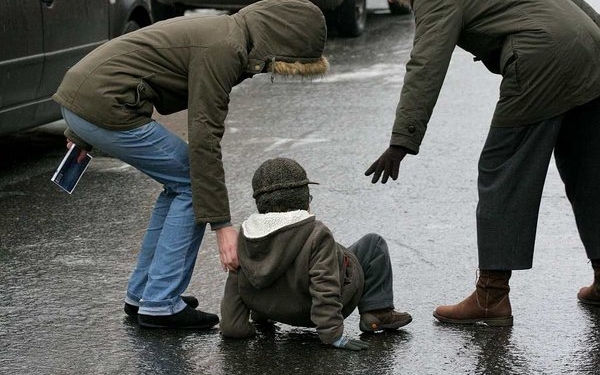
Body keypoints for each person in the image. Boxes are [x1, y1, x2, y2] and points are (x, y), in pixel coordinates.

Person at [52, 0, 329, 329]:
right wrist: (222, 225)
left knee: (180, 181)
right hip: (105, 105)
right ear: (280, 40)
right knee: (192, 182)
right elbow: (204, 138)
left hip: (84, 100)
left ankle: (144, 294)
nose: (273, 69)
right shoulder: (225, 49)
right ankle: (160, 302)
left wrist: (80, 130)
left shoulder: (227, 33)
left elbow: (121, 63)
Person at [365, 0, 600, 326]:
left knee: (502, 170)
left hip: (542, 54)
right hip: (590, 45)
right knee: (589, 169)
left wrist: (401, 141)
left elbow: (427, 62)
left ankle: (491, 295)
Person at [220, 157, 412, 350]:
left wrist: (236, 327)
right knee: (373, 244)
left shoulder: (245, 236)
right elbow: (325, 288)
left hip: (271, 308)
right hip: (312, 312)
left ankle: (262, 316)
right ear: (302, 196)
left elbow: (235, 301)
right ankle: (377, 312)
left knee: (274, 264)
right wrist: (333, 335)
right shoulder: (317, 235)